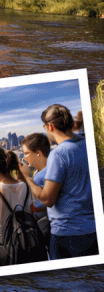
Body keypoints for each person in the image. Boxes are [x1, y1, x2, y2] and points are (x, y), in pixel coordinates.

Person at [22, 104, 98, 260]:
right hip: (93, 229)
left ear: (50, 126)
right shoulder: (86, 143)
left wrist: (26, 178)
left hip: (68, 233)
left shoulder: (59, 154)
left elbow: (47, 199)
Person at [22, 133, 53, 240]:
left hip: (47, 229)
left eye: (26, 153)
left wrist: (25, 176)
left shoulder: (41, 176)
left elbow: (38, 207)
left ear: (38, 153)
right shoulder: (50, 167)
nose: (24, 157)